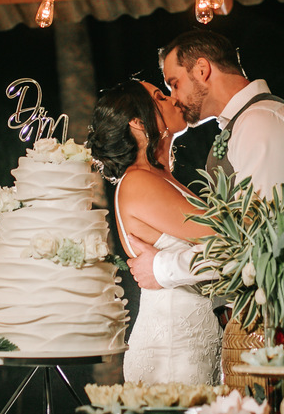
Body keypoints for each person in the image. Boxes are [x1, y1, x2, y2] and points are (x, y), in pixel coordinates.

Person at [126, 29, 284, 291]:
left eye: (174, 83)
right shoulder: (245, 123)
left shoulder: (259, 122)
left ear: (202, 69)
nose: (175, 99)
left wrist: (163, 268)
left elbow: (257, 237)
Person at [88, 79, 221, 385]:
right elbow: (226, 240)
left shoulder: (164, 179)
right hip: (172, 352)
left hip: (193, 342)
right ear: (137, 122)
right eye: (161, 97)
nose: (174, 100)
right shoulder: (138, 182)